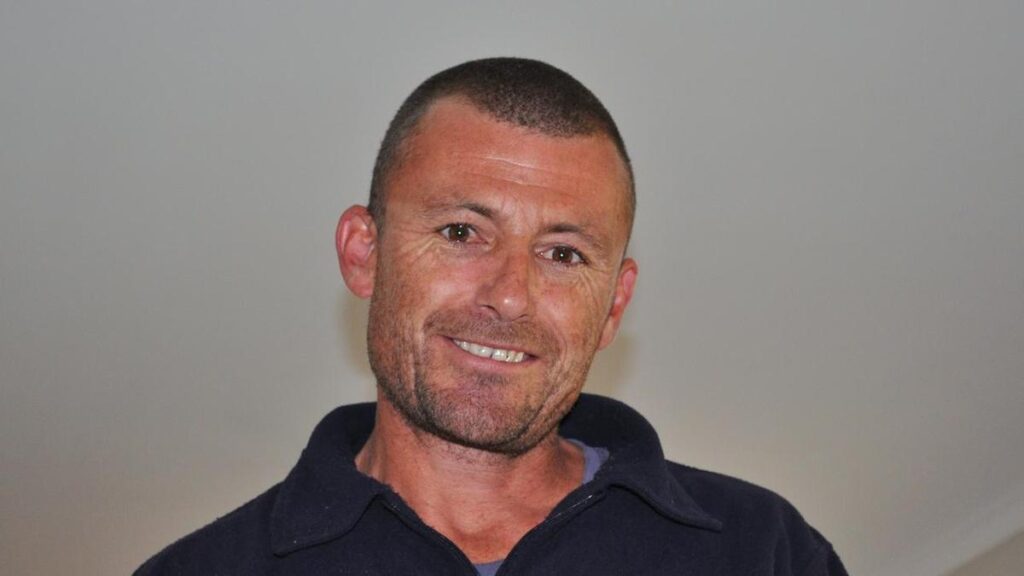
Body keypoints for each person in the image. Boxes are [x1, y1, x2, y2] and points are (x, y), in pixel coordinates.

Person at [136, 57, 847, 575]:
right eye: (461, 233)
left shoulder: (763, 551)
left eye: (563, 254)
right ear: (364, 253)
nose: (509, 295)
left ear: (614, 305)